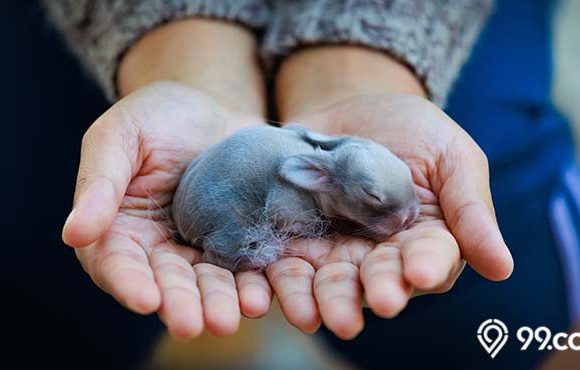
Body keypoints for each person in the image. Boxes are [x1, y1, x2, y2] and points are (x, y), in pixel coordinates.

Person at [36, 0, 576, 369]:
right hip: (137, 23)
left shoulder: (313, 155)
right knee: (43, 288)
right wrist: (185, 62)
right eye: (373, 199)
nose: (406, 215)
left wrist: (360, 69)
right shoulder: (301, 175)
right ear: (318, 173)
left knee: (499, 301)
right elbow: (280, 204)